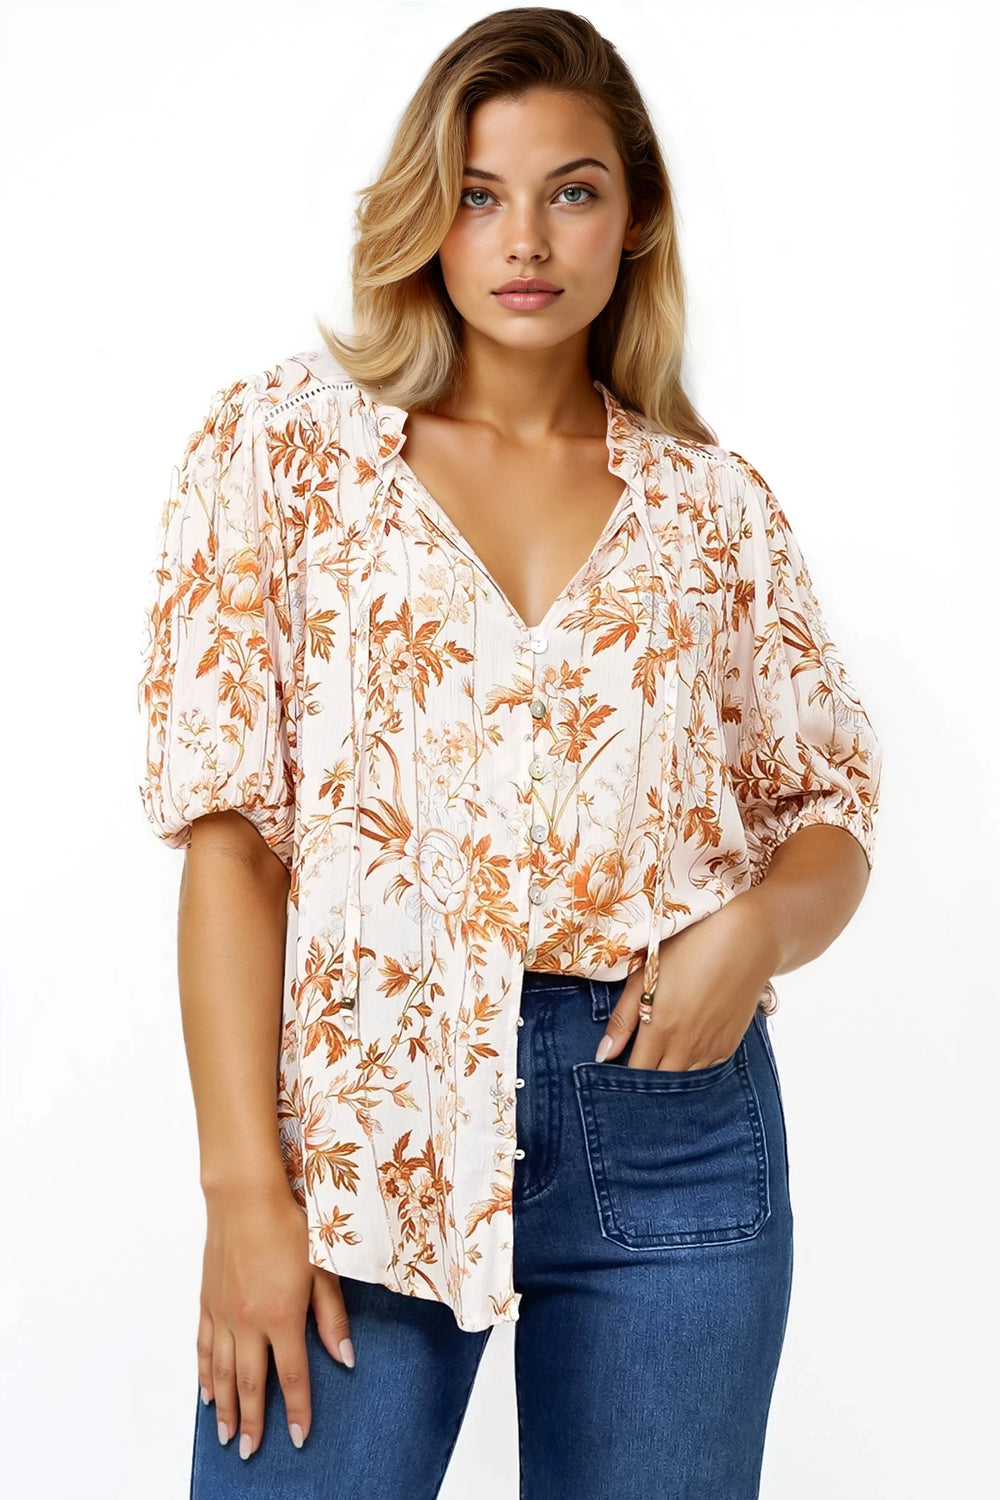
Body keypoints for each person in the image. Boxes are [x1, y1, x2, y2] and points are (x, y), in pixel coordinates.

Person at [137, 8, 883, 1497]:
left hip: (667, 1113)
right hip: (363, 1128)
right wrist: (242, 1194)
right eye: (479, 195)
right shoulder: (287, 453)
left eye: (572, 191)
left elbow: (831, 806)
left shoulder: (713, 510)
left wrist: (755, 933)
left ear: (636, 216)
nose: (524, 240)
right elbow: (232, 838)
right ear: (428, 213)